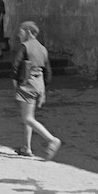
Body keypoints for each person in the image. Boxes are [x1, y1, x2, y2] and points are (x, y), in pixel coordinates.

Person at [12, 21, 61, 160]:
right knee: (28, 115)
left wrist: (15, 83)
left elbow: (15, 66)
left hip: (27, 83)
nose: (19, 34)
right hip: (38, 84)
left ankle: (51, 139)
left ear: (28, 32)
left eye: (21, 32)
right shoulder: (43, 49)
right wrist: (43, 90)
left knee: (27, 118)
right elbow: (48, 71)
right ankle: (27, 147)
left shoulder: (25, 47)